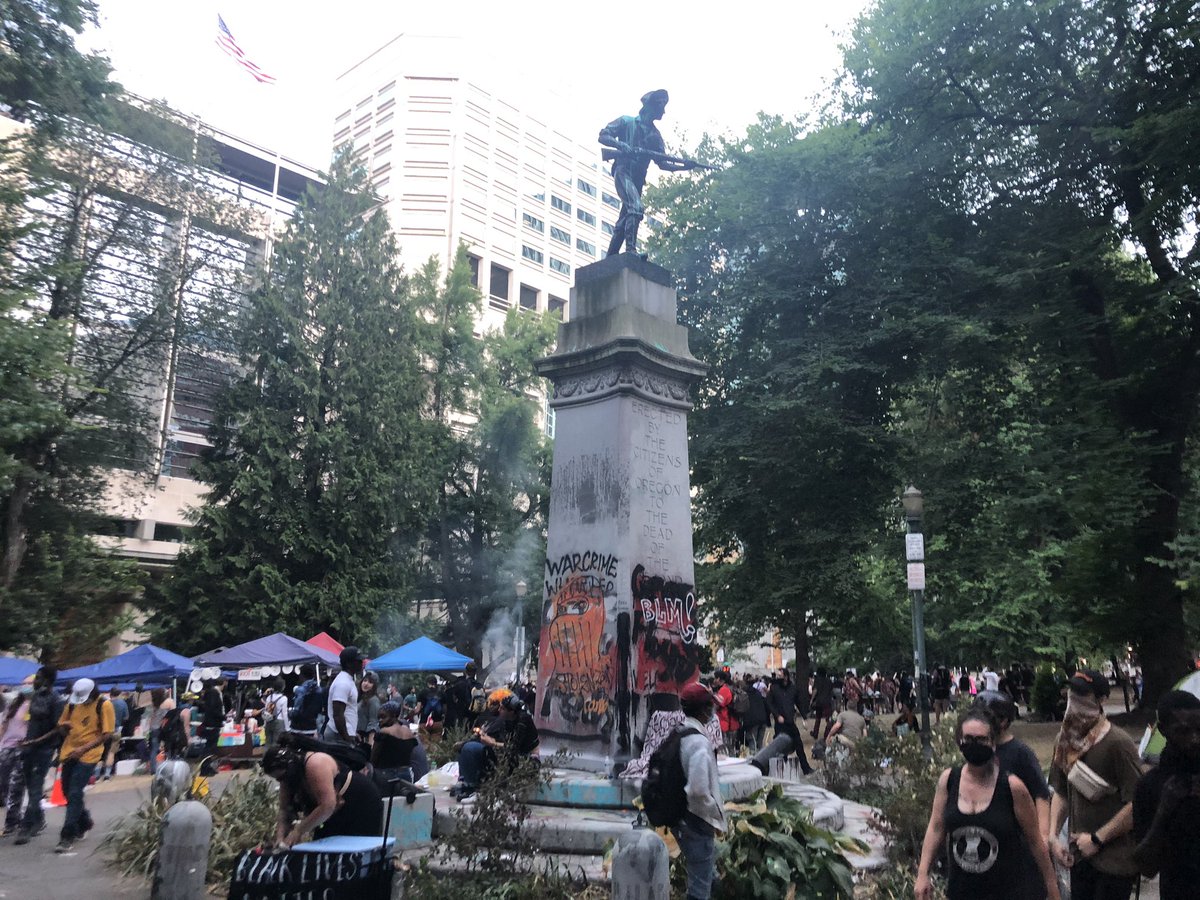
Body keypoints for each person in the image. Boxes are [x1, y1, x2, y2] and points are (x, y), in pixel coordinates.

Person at [915, 708, 1059, 900]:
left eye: (981, 739)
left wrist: (1052, 889)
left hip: (1009, 892)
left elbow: (1035, 842)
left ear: (993, 743)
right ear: (959, 741)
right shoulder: (949, 781)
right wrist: (923, 873)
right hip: (962, 892)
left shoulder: (1012, 787)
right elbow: (936, 827)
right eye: (968, 738)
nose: (974, 744)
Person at [1048, 669, 1142, 900]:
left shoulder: (1118, 743)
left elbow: (1138, 803)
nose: (1075, 701)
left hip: (1115, 861)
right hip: (1079, 857)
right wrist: (1053, 836)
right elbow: (1061, 791)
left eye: (1083, 695)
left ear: (1101, 700)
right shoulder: (1065, 740)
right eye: (1072, 693)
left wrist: (1098, 839)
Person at [598, 90, 703, 256]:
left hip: (638, 179)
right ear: (651, 106)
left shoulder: (655, 136)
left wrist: (686, 166)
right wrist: (622, 146)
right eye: (661, 104)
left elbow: (663, 164)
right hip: (623, 171)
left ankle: (611, 257)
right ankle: (630, 251)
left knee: (624, 219)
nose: (663, 110)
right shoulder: (627, 121)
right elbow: (603, 136)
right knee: (636, 208)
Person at [974, 691, 1052, 898]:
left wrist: (1044, 836)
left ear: (1004, 721)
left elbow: (1041, 795)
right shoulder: (978, 751)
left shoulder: (1020, 753)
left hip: (1019, 848)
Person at [1132, 690, 1200, 899]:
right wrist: (1164, 810)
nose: (1195, 739)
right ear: (1163, 730)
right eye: (1183, 731)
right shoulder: (1151, 786)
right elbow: (1146, 867)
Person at [261, 732, 382, 848]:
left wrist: (299, 831)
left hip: (360, 803)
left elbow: (327, 806)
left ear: (290, 767)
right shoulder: (286, 777)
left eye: (280, 777)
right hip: (335, 811)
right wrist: (280, 838)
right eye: (277, 778)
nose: (280, 781)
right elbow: (284, 809)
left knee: (353, 851)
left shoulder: (316, 763)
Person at [672, 682, 727, 900]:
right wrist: (715, 812)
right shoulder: (699, 744)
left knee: (704, 877)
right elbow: (697, 791)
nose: (713, 712)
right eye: (710, 707)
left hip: (682, 817)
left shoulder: (680, 733)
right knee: (699, 889)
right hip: (697, 821)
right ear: (704, 710)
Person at [54, 678, 115, 853]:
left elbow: (106, 734)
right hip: (69, 751)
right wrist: (63, 727)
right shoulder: (72, 704)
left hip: (89, 754)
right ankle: (85, 821)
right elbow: (62, 726)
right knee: (67, 791)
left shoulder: (104, 705)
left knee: (74, 791)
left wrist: (83, 749)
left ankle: (67, 835)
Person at [13, 666, 65, 845]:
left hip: (44, 749)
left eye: (38, 678)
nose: (35, 681)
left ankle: (26, 827)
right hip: (28, 747)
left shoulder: (56, 700)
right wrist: (26, 740)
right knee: (31, 786)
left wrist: (37, 741)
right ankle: (39, 820)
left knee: (35, 787)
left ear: (48, 680)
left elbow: (58, 729)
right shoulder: (35, 697)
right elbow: (31, 721)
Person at [451, 694, 540, 799]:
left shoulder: (523, 720)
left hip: (525, 758)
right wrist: (467, 741)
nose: (499, 710)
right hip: (508, 754)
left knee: (489, 752)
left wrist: (493, 743)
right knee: (471, 748)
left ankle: (482, 786)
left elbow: (514, 748)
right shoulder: (505, 719)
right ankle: (469, 782)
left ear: (511, 711)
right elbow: (493, 732)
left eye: (502, 708)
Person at [0, 683, 30, 835]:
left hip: (22, 747)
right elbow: (4, 725)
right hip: (7, 747)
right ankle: (15, 818)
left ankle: (12, 821)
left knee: (16, 784)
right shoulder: (13, 704)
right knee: (4, 783)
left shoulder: (33, 706)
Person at [371, 701, 418, 793]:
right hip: (406, 774)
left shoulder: (384, 732)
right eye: (379, 718)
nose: (380, 720)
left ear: (393, 715)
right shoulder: (408, 732)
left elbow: (374, 756)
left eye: (383, 717)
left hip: (385, 775)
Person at [325, 646, 362, 744]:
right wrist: (347, 738)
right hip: (338, 736)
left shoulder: (348, 680)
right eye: (358, 661)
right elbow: (338, 715)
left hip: (342, 734)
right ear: (349, 663)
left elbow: (348, 711)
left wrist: (352, 732)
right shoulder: (343, 683)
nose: (361, 663)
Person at [443, 662, 482, 730]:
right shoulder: (479, 685)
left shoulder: (460, 684)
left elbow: (453, 699)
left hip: (462, 716)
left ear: (466, 671)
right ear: (475, 672)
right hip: (475, 717)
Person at [145, 688, 176, 774]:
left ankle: (153, 770)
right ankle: (169, 767)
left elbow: (151, 717)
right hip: (163, 728)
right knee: (168, 747)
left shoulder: (154, 704)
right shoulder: (168, 702)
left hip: (153, 728)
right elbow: (174, 713)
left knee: (154, 749)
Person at [100, 687, 128, 779]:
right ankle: (107, 774)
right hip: (116, 730)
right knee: (111, 752)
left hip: (104, 731)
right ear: (119, 694)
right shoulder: (123, 703)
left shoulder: (105, 703)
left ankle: (96, 774)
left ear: (110, 693)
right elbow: (126, 717)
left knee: (102, 751)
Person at [198, 679, 227, 763]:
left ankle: (207, 765)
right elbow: (213, 709)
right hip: (213, 723)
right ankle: (205, 766)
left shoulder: (212, 693)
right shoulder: (214, 693)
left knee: (210, 746)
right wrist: (222, 717)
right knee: (210, 746)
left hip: (212, 723)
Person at [289, 665, 322, 736]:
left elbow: (297, 710)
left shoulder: (300, 690)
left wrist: (290, 713)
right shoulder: (319, 689)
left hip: (298, 727)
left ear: (302, 675)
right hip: (312, 726)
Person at [712, 671, 740, 754]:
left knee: (727, 749)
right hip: (730, 722)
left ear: (719, 679)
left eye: (715, 678)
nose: (714, 680)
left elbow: (717, 705)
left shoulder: (724, 690)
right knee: (730, 748)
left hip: (726, 723)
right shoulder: (728, 688)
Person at [741, 674, 769, 753]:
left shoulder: (744, 694)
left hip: (752, 721)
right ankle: (760, 761)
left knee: (752, 742)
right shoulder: (758, 693)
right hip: (762, 719)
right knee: (760, 744)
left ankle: (753, 761)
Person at [261, 677, 289, 748]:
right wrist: (287, 727)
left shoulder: (269, 697)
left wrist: (265, 723)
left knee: (268, 742)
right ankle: (273, 758)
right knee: (276, 743)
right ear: (283, 687)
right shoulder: (284, 698)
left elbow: (266, 710)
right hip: (279, 722)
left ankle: (266, 757)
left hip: (269, 721)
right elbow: (284, 713)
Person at [809, 668, 835, 740]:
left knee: (818, 718)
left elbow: (815, 690)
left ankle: (815, 732)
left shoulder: (818, 680)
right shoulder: (829, 681)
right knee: (828, 719)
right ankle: (826, 734)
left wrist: (811, 700)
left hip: (819, 702)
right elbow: (831, 691)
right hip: (827, 702)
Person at [357, 670, 380, 747]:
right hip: (358, 738)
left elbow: (373, 723)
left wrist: (370, 746)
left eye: (370, 682)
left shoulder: (374, 700)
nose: (366, 684)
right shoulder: (361, 698)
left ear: (374, 685)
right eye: (365, 680)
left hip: (365, 740)